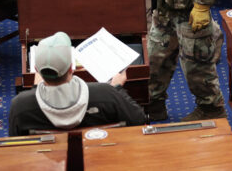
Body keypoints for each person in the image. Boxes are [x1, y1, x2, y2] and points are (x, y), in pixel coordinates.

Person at [8, 32, 145, 136]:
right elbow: (139, 120)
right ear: (71, 68)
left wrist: (35, 90)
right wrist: (117, 89)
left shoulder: (20, 105)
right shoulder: (107, 94)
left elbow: (16, 146)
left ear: (36, 70)